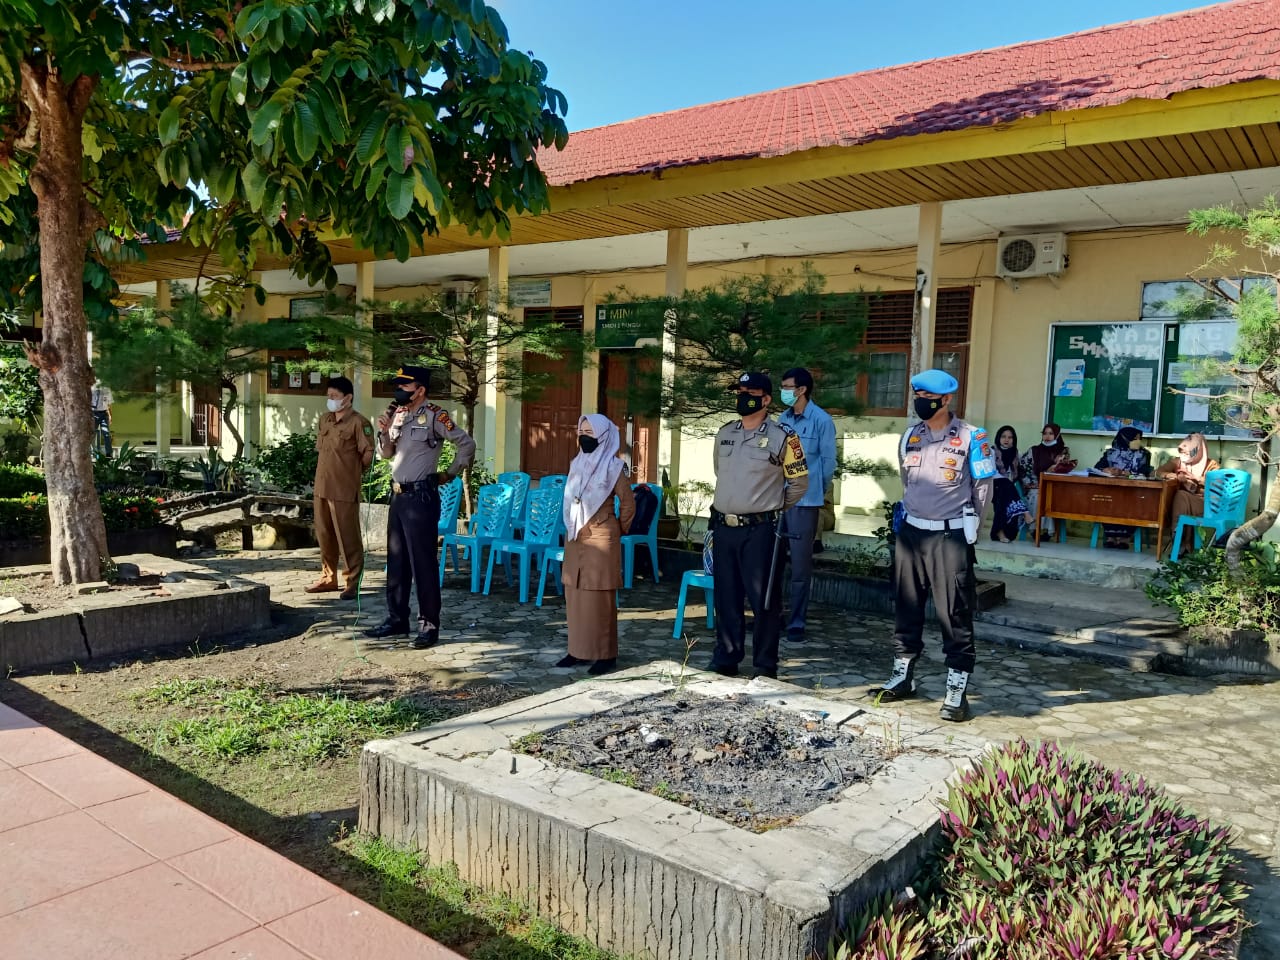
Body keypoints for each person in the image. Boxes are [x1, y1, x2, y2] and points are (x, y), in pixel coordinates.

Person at [877, 369, 995, 722]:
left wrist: (971, 529)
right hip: (912, 533)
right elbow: (907, 482)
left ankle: (956, 690)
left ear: (946, 399)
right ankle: (902, 676)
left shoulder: (973, 437)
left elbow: (983, 490)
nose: (921, 402)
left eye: (929, 397)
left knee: (954, 612)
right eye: (918, 396)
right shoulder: (911, 436)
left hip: (950, 536)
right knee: (906, 606)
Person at [707, 372, 809, 679]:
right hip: (724, 527)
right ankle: (727, 656)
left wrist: (771, 506)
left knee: (764, 600)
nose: (742, 397)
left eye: (750, 393)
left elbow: (798, 484)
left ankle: (765, 664)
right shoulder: (725, 433)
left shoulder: (784, 437)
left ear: (765, 399)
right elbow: (720, 472)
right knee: (726, 596)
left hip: (760, 530)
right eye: (739, 391)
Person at [365, 365, 476, 649]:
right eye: (398, 385)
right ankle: (396, 619)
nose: (399, 390)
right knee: (397, 561)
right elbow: (386, 454)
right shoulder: (399, 415)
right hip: (398, 497)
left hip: (421, 498)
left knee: (423, 564)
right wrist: (384, 431)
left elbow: (466, 444)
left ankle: (428, 625)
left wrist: (449, 474)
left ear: (421, 390)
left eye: (405, 385)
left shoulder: (435, 416)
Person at [557, 414, 635, 676]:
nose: (584, 437)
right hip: (575, 535)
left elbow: (628, 505)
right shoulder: (577, 462)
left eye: (590, 433)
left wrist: (616, 529)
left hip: (601, 536)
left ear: (603, 436)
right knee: (575, 594)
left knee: (599, 598)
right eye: (581, 432)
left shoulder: (614, 467)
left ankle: (605, 654)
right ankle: (577, 650)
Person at [777, 367, 837, 642]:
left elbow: (827, 463)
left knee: (800, 567)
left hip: (805, 502)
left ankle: (797, 622)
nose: (783, 391)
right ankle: (773, 616)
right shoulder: (782, 419)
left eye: (787, 387)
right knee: (773, 562)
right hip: (777, 500)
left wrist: (816, 495)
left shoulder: (822, 421)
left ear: (801, 390)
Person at [306, 376, 374, 600]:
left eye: (335, 396)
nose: (331, 400)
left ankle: (352, 582)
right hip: (322, 487)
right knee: (325, 535)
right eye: (329, 396)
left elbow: (368, 454)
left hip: (344, 489)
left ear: (348, 398)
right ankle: (328, 578)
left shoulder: (359, 423)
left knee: (348, 537)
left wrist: (353, 472)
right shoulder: (325, 420)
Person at [1156, 433, 1220, 555]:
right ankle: (1179, 540)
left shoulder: (1212, 465)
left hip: (1205, 503)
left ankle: (1178, 540)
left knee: (1181, 496)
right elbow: (1157, 472)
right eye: (1182, 451)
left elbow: (1217, 485)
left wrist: (1196, 478)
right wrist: (1176, 476)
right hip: (1182, 503)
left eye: (1188, 452)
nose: (1184, 455)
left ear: (1199, 450)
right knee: (1178, 497)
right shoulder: (1178, 462)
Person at [1094, 426, 1153, 548]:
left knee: (1130, 504)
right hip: (1111, 489)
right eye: (1135, 439)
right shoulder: (1110, 453)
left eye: (1139, 439)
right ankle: (1110, 536)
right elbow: (1097, 468)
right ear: (1125, 439)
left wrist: (1127, 473)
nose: (1138, 441)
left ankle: (1125, 538)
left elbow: (1146, 472)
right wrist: (1107, 470)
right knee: (1105, 501)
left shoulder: (1144, 454)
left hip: (1134, 490)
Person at [1019, 423, 1075, 538]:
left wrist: (1053, 469)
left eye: (1051, 434)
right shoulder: (1034, 450)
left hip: (1055, 486)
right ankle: (1036, 529)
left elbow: (1062, 470)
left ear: (1057, 435)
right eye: (1044, 433)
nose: (1047, 437)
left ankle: (1046, 531)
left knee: (1047, 494)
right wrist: (1033, 483)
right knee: (1038, 494)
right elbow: (1022, 470)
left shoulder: (1063, 451)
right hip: (1034, 485)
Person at [989, 425, 1031, 543]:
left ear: (1014, 439)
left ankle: (1001, 532)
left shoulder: (1016, 454)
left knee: (1004, 495)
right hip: (994, 484)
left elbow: (1020, 472)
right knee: (1005, 486)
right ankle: (1025, 513)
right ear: (998, 438)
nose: (1006, 440)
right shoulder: (992, 452)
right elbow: (992, 472)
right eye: (1003, 436)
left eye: (1010, 437)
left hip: (1008, 488)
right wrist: (1006, 481)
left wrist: (1028, 484)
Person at [90, 369, 113, 456]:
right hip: (94, 413)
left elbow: (109, 403)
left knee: (106, 433)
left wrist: (110, 415)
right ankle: (91, 452)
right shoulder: (91, 388)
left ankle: (108, 453)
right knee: (91, 433)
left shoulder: (106, 389)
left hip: (103, 413)